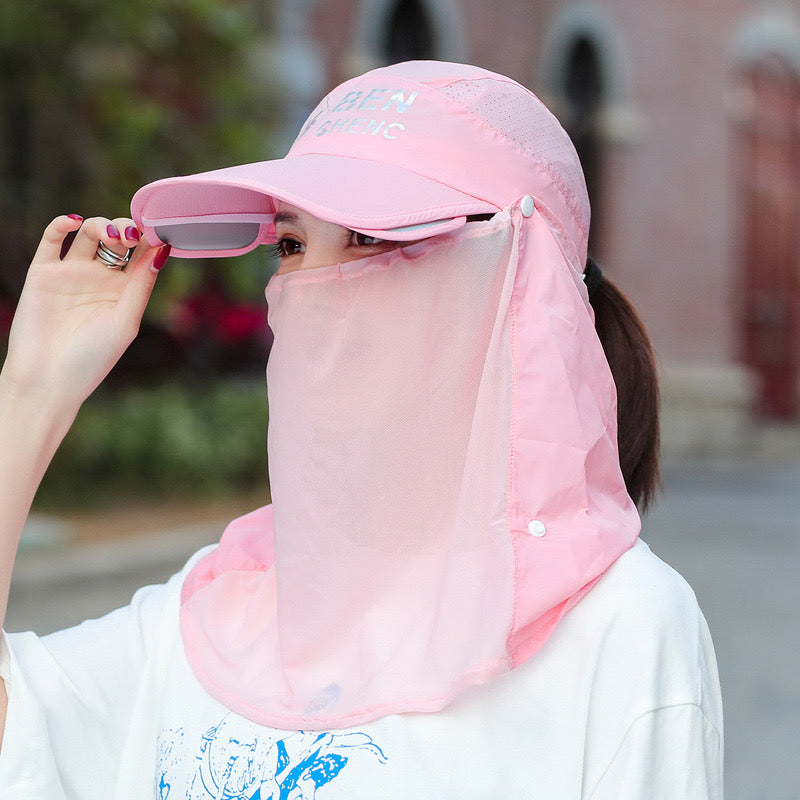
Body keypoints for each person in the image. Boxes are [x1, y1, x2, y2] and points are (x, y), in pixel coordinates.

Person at [0, 61, 722, 798]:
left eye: (375, 236)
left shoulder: (619, 631)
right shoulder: (218, 614)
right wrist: (31, 393)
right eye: (290, 245)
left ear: (518, 274)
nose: (313, 284)